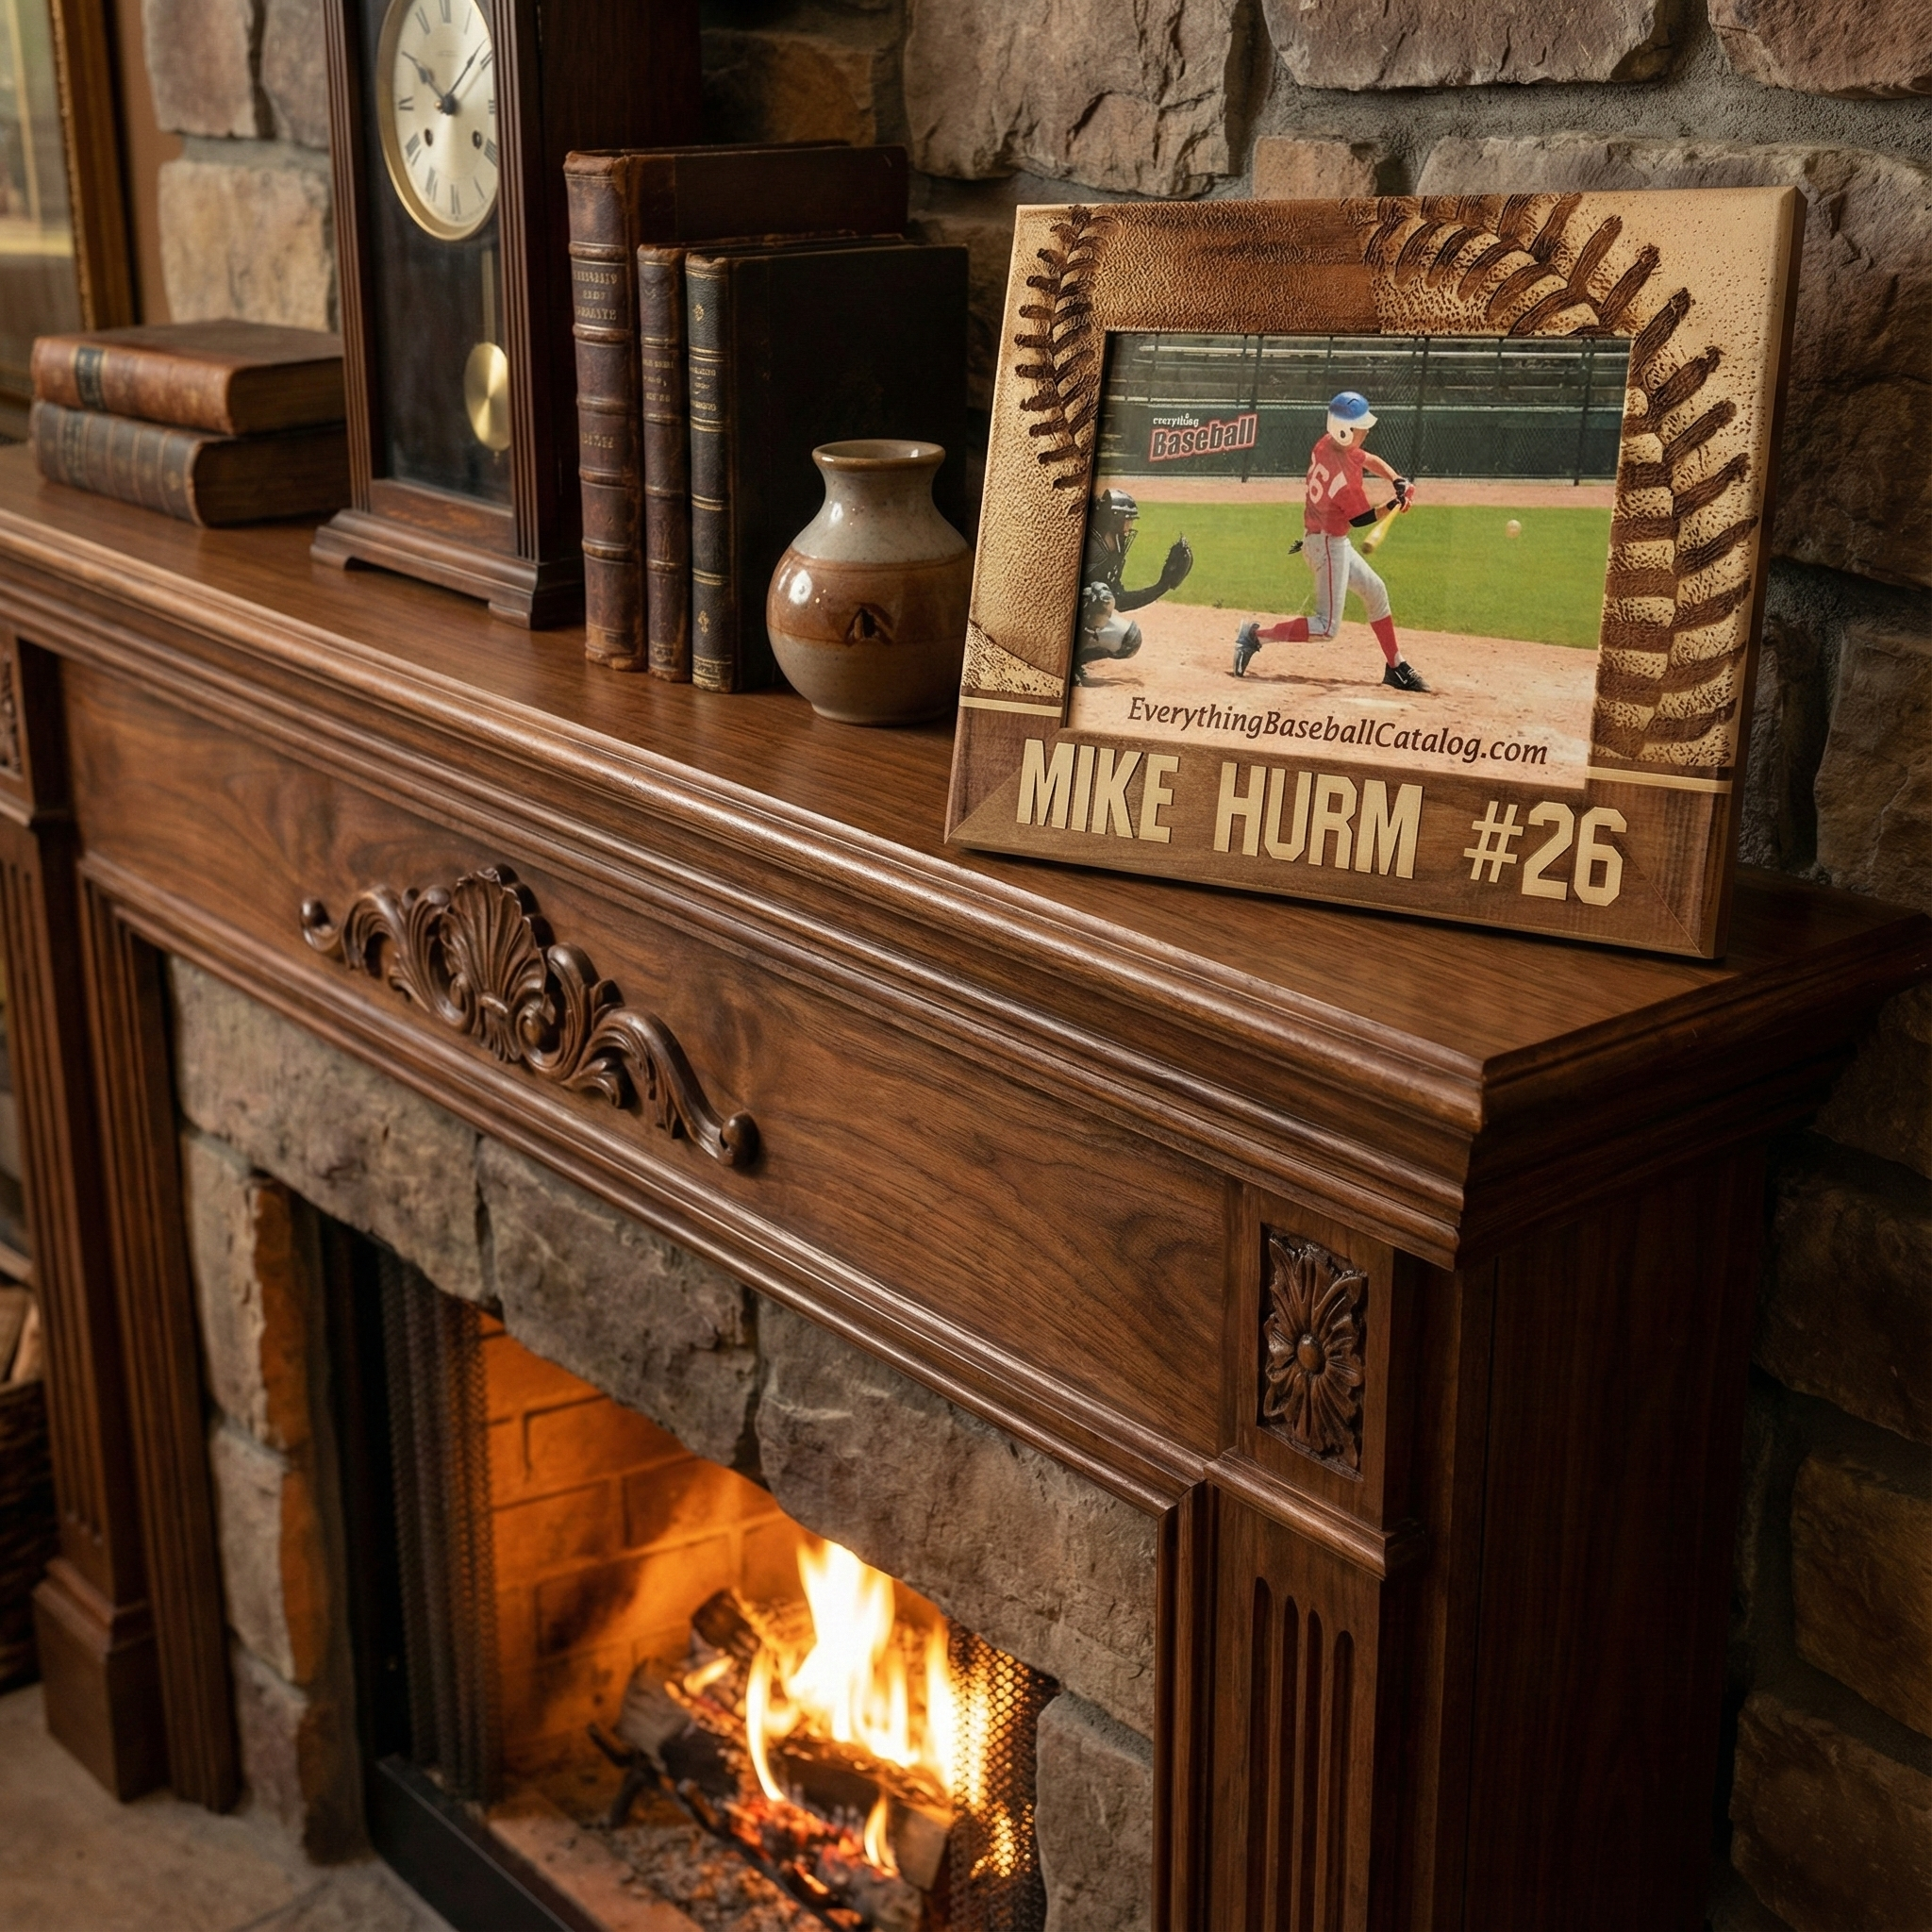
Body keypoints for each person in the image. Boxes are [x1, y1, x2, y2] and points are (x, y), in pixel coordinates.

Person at [1232, 391, 1428, 692]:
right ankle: (1254, 636)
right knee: (1326, 628)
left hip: (1328, 541)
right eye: (1360, 427)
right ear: (1344, 430)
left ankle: (1395, 666)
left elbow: (1367, 459)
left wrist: (1396, 480)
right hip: (1326, 546)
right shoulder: (1343, 479)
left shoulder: (1327, 443)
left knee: (1375, 591)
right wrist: (1393, 504)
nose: (1365, 432)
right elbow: (1361, 519)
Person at [1074, 488, 1193, 684]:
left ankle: (1076, 660)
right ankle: (1063, 662)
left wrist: (1161, 587)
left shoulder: (1114, 546)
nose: (1128, 527)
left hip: (1078, 616)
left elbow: (1119, 599)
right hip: (1054, 618)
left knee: (1129, 640)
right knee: (1098, 597)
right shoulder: (1089, 544)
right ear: (1113, 520)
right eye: (1126, 521)